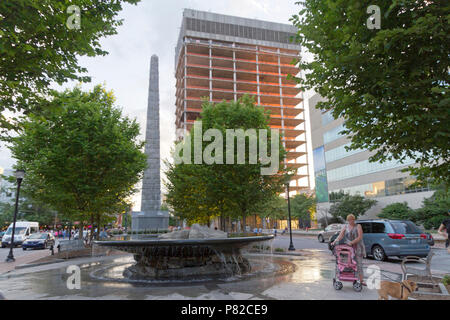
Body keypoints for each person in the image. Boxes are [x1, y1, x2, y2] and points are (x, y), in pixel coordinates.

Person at [331, 214, 366, 285]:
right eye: (349, 220)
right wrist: (334, 241)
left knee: (359, 264)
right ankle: (353, 278)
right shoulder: (345, 227)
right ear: (347, 220)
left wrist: (352, 242)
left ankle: (361, 280)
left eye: (352, 219)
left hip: (358, 247)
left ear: (354, 219)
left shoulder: (358, 226)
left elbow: (360, 237)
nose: (351, 221)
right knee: (349, 263)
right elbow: (340, 236)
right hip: (349, 248)